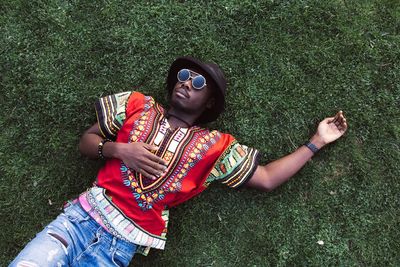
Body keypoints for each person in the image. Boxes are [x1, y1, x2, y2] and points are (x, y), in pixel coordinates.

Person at [10, 56, 348, 267]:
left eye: (198, 82)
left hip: (118, 248)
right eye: (184, 76)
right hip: (76, 222)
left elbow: (266, 178)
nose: (187, 82)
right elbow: (87, 141)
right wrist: (117, 150)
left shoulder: (216, 147)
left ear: (209, 100)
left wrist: (317, 141)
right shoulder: (138, 105)